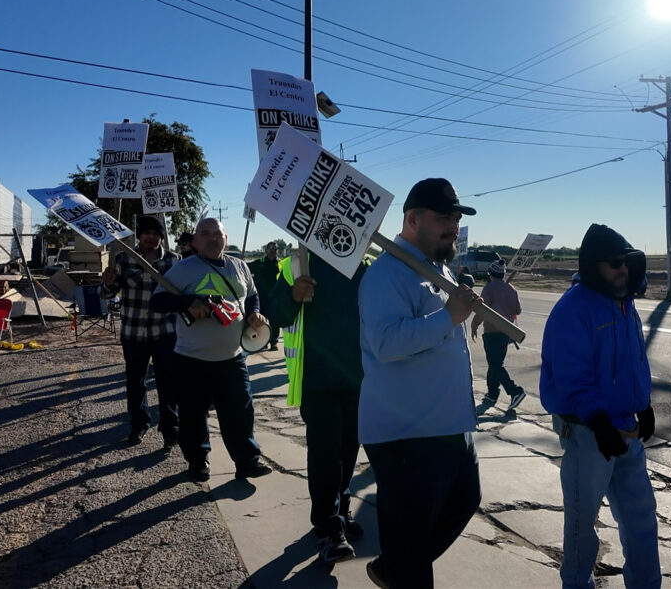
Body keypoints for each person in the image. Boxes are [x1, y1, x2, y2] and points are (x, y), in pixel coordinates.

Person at [358, 177, 483, 589]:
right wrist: (449, 316)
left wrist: (460, 309)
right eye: (444, 217)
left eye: (457, 217)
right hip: (408, 434)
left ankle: (395, 567)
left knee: (465, 502)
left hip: (447, 426)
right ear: (412, 219)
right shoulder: (386, 274)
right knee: (412, 551)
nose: (454, 225)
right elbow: (387, 342)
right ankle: (402, 568)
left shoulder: (438, 268)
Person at [540, 223, 660, 589]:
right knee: (582, 524)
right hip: (587, 433)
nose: (623, 269)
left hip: (626, 429)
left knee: (641, 518)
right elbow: (573, 375)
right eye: (614, 264)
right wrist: (596, 419)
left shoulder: (625, 304)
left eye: (626, 262)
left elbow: (635, 360)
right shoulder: (572, 310)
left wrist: (645, 404)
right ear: (593, 266)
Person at [150, 218, 273, 483]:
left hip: (232, 357)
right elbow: (158, 301)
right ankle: (198, 462)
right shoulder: (184, 269)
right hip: (192, 358)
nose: (212, 238)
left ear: (226, 238)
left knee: (240, 413)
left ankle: (247, 461)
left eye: (217, 233)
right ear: (195, 241)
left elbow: (252, 296)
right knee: (194, 415)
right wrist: (188, 303)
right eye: (205, 233)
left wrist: (253, 314)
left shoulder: (239, 266)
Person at [265, 252, 369, 564]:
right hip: (317, 379)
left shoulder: (368, 266)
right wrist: (292, 294)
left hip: (359, 378)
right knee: (325, 454)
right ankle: (328, 529)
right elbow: (274, 313)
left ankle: (341, 509)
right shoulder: (297, 263)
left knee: (349, 449)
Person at [101, 215, 182, 447]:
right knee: (135, 380)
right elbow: (107, 294)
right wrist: (107, 283)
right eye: (147, 233)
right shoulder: (123, 258)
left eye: (156, 234)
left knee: (168, 381)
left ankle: (170, 427)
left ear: (161, 237)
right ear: (140, 235)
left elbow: (182, 293)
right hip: (134, 332)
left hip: (165, 331)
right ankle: (138, 423)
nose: (151, 237)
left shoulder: (174, 261)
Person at [471, 258, 526, 412]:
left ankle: (515, 391)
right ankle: (492, 393)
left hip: (492, 332)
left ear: (491, 274)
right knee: (495, 364)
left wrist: (474, 325)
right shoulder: (511, 289)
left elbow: (483, 309)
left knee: (495, 365)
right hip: (507, 332)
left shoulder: (489, 288)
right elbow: (518, 310)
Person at [249, 242, 281, 351]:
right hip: (261, 297)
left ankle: (273, 342)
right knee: (260, 322)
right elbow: (245, 271)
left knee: (274, 322)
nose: (273, 251)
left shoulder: (281, 264)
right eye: (270, 249)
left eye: (275, 249)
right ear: (266, 250)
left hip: (275, 298)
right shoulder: (259, 263)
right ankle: (262, 342)